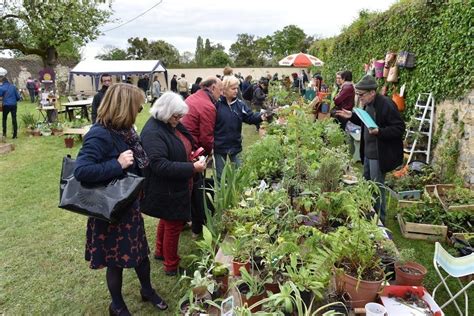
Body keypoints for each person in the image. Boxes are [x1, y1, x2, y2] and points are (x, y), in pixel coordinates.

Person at [74, 83, 168, 315]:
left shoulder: (126, 131)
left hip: (128, 206)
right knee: (115, 262)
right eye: (137, 106)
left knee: (140, 255)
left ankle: (147, 290)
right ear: (124, 107)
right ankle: (117, 305)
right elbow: (82, 171)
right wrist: (116, 164)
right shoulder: (100, 134)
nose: (140, 110)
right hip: (110, 211)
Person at [140, 92, 207, 276]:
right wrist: (191, 167)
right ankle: (171, 265)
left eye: (180, 116)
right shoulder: (153, 132)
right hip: (166, 187)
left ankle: (160, 252)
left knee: (167, 218)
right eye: (176, 116)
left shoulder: (166, 124)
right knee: (174, 223)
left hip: (173, 184)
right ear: (165, 112)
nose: (179, 120)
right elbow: (159, 165)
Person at [336, 75, 405, 224]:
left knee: (377, 189)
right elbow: (366, 121)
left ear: (372, 92)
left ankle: (380, 221)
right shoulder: (368, 103)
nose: (359, 98)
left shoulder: (386, 104)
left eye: (361, 95)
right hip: (368, 153)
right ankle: (369, 215)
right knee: (367, 186)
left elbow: (399, 128)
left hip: (379, 154)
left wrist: (380, 132)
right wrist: (352, 116)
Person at [182, 76, 223, 237]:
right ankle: (198, 225)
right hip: (192, 150)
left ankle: (187, 220)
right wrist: (207, 154)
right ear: (212, 88)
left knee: (189, 188)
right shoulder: (207, 106)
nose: (220, 94)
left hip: (183, 146)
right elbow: (206, 137)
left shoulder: (194, 97)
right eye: (220, 90)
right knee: (197, 188)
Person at [214, 76, 265, 179]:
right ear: (224, 89)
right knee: (220, 177)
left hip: (235, 146)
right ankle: (221, 194)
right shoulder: (216, 105)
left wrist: (262, 116)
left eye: (237, 88)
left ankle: (238, 193)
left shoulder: (240, 105)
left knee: (239, 175)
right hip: (220, 146)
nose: (236, 91)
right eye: (233, 88)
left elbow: (250, 117)